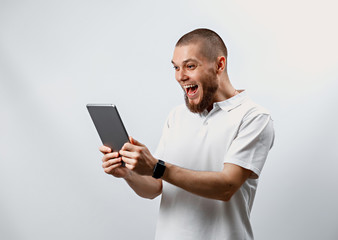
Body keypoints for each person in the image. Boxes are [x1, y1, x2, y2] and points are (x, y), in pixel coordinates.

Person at [100, 28, 275, 240]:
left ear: (219, 65)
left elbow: (227, 187)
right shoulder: (177, 116)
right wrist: (129, 173)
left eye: (190, 66)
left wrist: (157, 167)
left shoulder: (253, 117)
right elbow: (156, 187)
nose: (180, 77)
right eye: (176, 68)